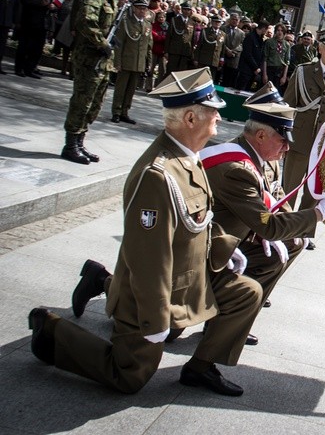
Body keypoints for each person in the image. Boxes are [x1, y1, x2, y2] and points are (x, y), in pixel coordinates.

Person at [28, 68, 262, 396]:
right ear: (191, 117)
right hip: (153, 292)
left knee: (246, 291)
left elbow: (192, 222)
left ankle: (199, 365)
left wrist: (226, 245)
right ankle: (50, 330)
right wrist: (155, 320)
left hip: (186, 279)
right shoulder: (158, 174)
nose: (220, 120)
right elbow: (148, 257)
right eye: (214, 112)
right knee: (128, 376)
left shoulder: (187, 157)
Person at [199, 82, 325, 342]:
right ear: (261, 136)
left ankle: (240, 316)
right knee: (281, 242)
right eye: (282, 140)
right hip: (213, 248)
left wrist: (291, 228)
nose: (287, 148)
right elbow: (268, 225)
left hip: (240, 235)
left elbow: (278, 203)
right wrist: (319, 213)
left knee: (293, 243)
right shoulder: (237, 168)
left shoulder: (266, 158)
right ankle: (225, 316)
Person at [61, 0, 124, 165]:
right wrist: (102, 43)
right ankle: (70, 146)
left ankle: (80, 142)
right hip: (89, 58)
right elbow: (86, 22)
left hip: (102, 61)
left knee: (95, 103)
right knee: (82, 101)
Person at [283, 26, 325, 211]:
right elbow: (287, 107)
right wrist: (282, 138)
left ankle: (303, 237)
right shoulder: (303, 71)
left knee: (313, 197)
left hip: (323, 149)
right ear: (319, 48)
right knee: (288, 192)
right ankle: (279, 234)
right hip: (299, 142)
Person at [110, 0, 152, 125]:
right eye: (139, 8)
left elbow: (149, 46)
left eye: (144, 9)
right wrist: (117, 62)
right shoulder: (126, 22)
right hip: (126, 61)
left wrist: (148, 63)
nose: (142, 11)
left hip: (139, 63)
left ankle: (125, 112)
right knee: (121, 88)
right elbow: (119, 44)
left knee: (131, 90)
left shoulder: (147, 24)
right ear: (133, 8)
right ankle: (116, 112)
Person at [15, 0, 54, 78]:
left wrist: (51, 5)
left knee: (37, 47)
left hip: (43, 21)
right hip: (29, 19)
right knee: (24, 45)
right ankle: (19, 68)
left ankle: (30, 68)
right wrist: (38, 2)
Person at [235, 20, 268, 91]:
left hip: (253, 72)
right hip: (246, 70)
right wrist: (255, 68)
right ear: (264, 28)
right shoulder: (250, 37)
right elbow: (247, 54)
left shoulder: (260, 39)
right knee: (240, 90)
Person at [164, 1, 194, 76]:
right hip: (174, 50)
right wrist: (166, 51)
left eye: (188, 10)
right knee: (170, 72)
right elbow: (169, 36)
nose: (186, 11)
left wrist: (191, 52)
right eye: (185, 9)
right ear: (182, 9)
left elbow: (192, 39)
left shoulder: (192, 23)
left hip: (185, 52)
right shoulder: (174, 20)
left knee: (180, 73)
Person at [262, 22, 291, 94]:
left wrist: (284, 76)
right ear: (275, 31)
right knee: (267, 91)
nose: (279, 32)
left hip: (280, 71)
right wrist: (264, 74)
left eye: (281, 30)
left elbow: (287, 62)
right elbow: (265, 59)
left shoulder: (286, 44)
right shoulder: (269, 42)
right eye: (278, 30)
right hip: (270, 69)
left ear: (284, 32)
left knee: (276, 92)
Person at [144, 10, 167, 92]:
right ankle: (148, 86)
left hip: (163, 52)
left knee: (162, 71)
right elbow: (155, 36)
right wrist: (163, 37)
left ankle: (159, 87)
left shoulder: (167, 26)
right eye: (159, 17)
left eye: (163, 17)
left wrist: (162, 37)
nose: (161, 19)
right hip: (153, 50)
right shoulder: (153, 25)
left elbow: (168, 38)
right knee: (151, 69)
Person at [220, 13, 245, 87]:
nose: (234, 21)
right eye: (233, 19)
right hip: (223, 56)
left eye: (236, 20)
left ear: (239, 21)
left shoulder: (241, 33)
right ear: (230, 20)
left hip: (234, 59)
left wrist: (233, 51)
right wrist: (227, 50)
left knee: (230, 80)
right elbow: (220, 41)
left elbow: (242, 44)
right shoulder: (223, 28)